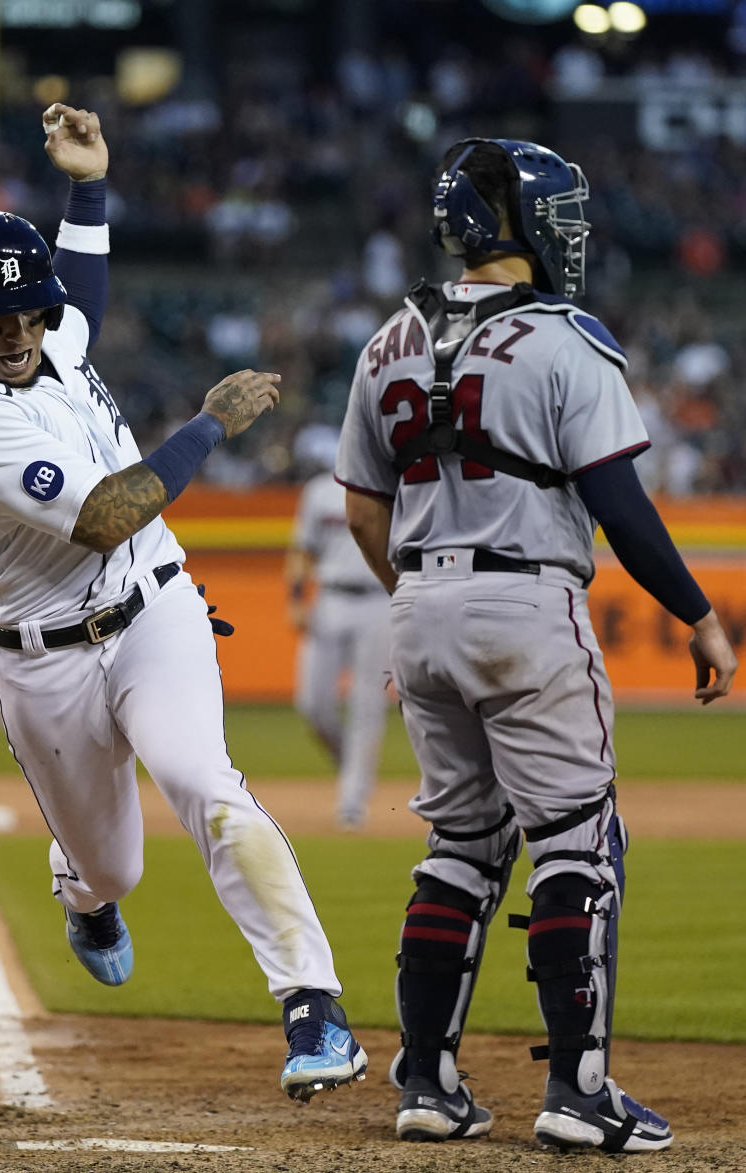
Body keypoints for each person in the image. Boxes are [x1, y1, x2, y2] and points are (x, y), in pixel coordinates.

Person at [0, 103, 366, 1103]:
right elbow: (110, 512)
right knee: (113, 867)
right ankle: (82, 889)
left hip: (156, 609)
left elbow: (81, 299)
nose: (24, 335)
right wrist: (208, 425)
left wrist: (88, 186)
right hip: (45, 661)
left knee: (205, 782)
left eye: (30, 315)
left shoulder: (46, 337)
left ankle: (314, 1009)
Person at [335, 138, 737, 1151]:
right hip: (526, 604)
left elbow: (359, 504)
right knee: (577, 842)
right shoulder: (567, 338)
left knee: (462, 847)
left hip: (417, 605)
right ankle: (577, 1089)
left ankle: (427, 1083)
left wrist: (421, 597)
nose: (572, 232)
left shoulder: (388, 338)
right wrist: (695, 612)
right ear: (516, 227)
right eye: (560, 214)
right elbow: (617, 502)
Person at [286, 425, 391, 828]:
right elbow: (302, 548)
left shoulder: (391, 483)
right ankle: (353, 768)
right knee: (313, 704)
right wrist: (296, 597)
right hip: (329, 597)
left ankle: (352, 798)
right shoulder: (318, 490)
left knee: (368, 704)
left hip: (378, 600)